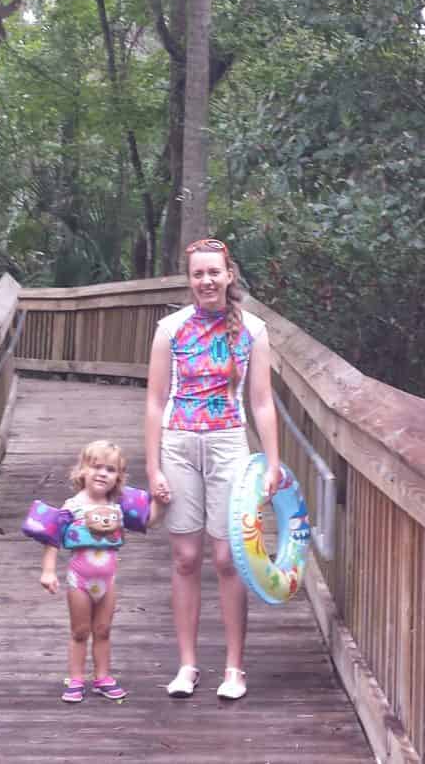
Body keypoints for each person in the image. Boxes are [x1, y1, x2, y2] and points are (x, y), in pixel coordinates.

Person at [144, 237, 282, 701]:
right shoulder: (171, 329)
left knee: (229, 559)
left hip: (229, 444)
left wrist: (273, 463)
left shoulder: (253, 331)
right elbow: (154, 401)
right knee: (185, 558)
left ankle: (234, 668)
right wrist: (153, 467)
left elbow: (262, 402)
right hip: (179, 444)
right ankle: (187, 665)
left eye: (213, 273)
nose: (206, 281)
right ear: (190, 280)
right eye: (198, 274)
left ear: (229, 276)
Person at [21, 440, 159, 703]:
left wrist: (161, 502)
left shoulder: (119, 505)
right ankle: (75, 679)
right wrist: (48, 572)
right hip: (80, 580)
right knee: (80, 630)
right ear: (83, 470)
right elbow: (52, 538)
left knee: (104, 629)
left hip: (108, 580)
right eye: (96, 467)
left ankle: (102, 677)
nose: (102, 473)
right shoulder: (73, 505)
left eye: (110, 469)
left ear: (118, 477)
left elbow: (148, 520)